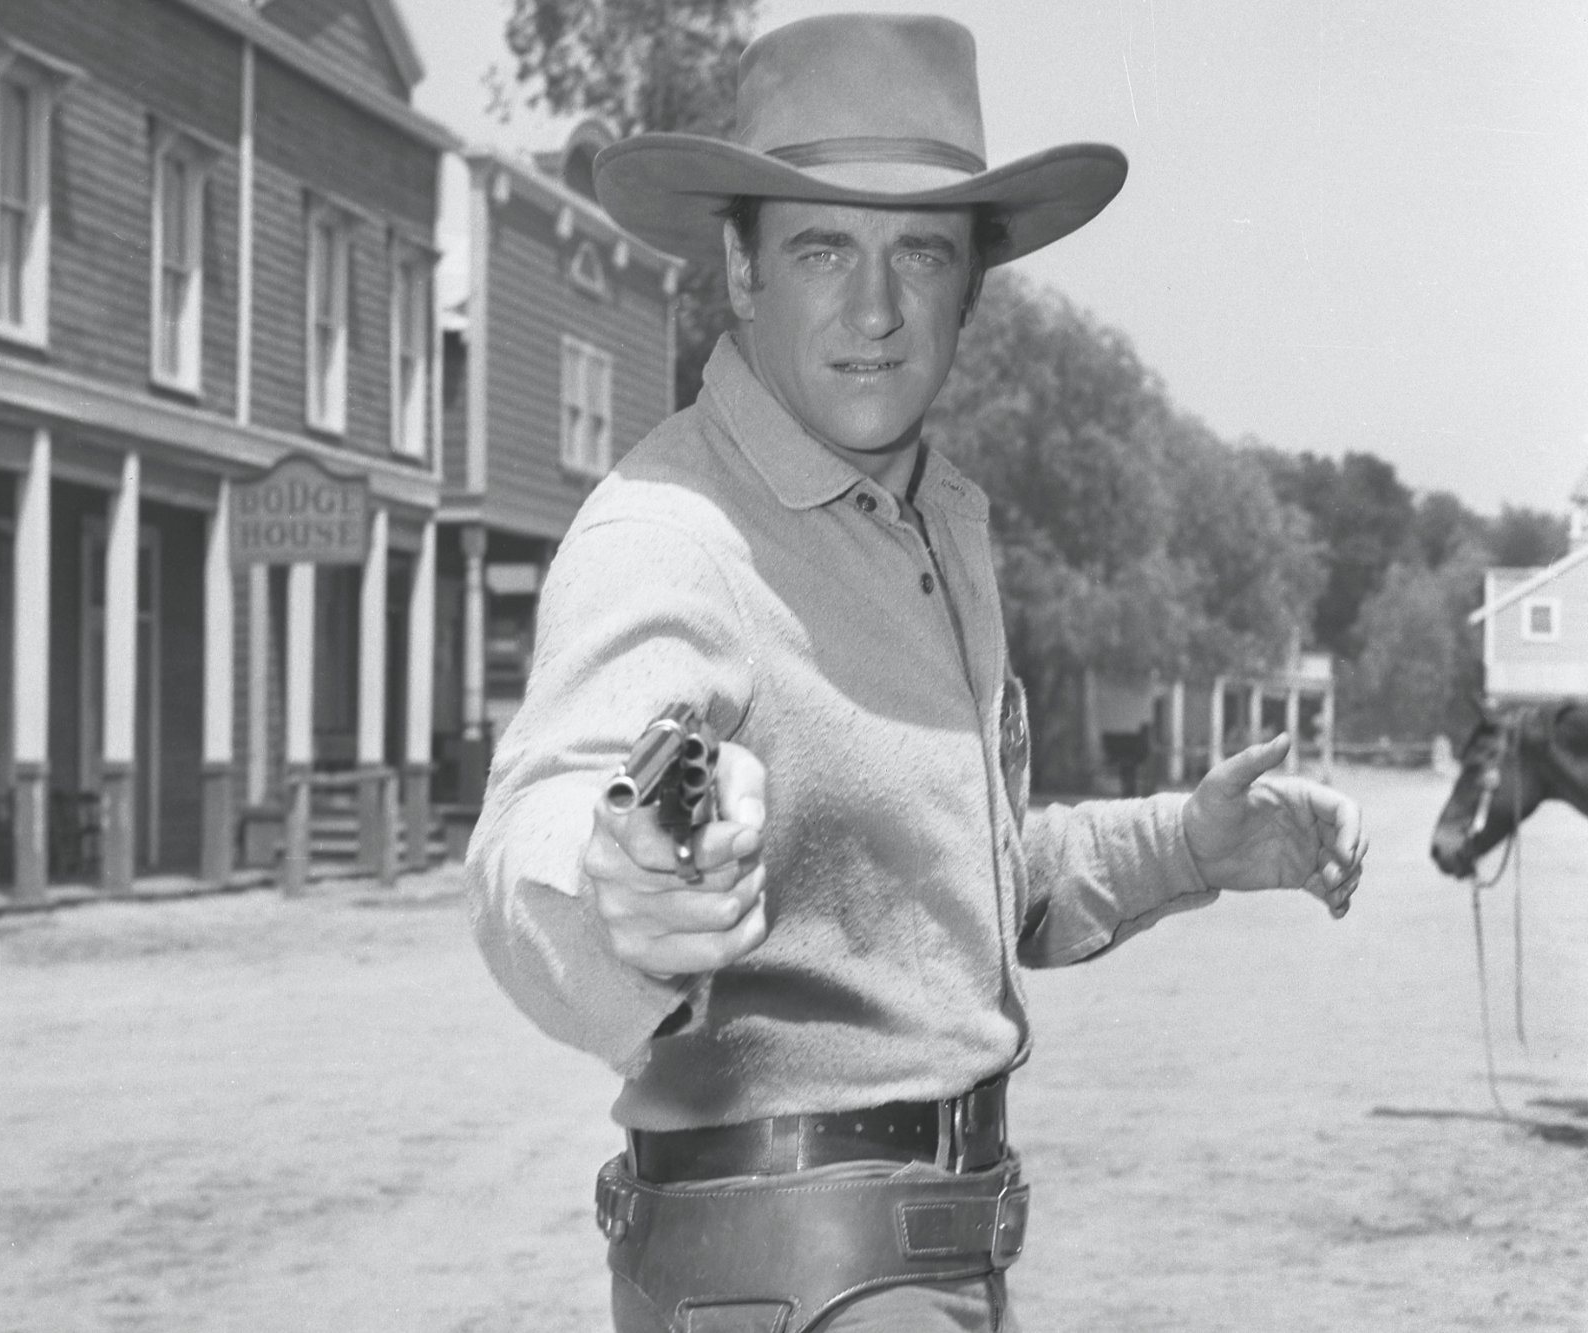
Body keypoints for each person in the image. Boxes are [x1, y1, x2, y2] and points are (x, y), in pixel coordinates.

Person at [464, 14, 1369, 1332]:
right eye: (824, 245)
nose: (877, 310)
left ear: (974, 283)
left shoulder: (935, 524)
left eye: (921, 252)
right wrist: (611, 897)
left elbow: (956, 892)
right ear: (740, 264)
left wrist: (1191, 842)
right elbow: (545, 820)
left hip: (924, 1264)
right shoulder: (676, 529)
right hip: (787, 1275)